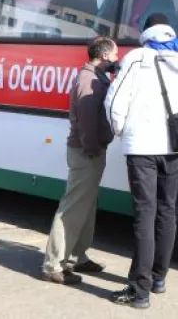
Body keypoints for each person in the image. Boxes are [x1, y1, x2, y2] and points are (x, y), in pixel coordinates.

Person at [105, 13, 178, 309]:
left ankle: (139, 290)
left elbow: (114, 101)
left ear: (146, 32)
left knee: (145, 213)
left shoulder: (137, 58)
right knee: (167, 209)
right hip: (174, 148)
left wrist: (123, 131)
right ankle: (159, 277)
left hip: (142, 148)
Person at [41, 36, 119, 284]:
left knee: (86, 205)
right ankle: (54, 265)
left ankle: (78, 257)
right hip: (87, 151)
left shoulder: (96, 76)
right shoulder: (89, 79)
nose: (118, 60)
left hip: (91, 149)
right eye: (116, 55)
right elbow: (86, 118)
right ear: (105, 55)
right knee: (73, 207)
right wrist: (91, 146)